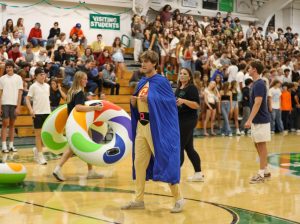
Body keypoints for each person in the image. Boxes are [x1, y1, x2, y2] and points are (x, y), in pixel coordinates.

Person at [121, 50, 184, 213]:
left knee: (165, 160)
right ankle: (138, 199)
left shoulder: (162, 82)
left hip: (156, 127)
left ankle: (179, 199)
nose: (143, 64)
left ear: (154, 63)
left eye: (146, 61)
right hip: (141, 126)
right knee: (139, 164)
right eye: (142, 61)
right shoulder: (141, 82)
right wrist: (133, 102)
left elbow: (170, 103)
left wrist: (149, 99)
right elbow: (139, 104)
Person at [52, 71, 104, 181]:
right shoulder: (79, 92)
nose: (86, 81)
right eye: (85, 79)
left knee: (86, 144)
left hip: (73, 122)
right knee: (72, 148)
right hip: (78, 123)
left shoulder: (71, 91)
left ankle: (90, 171)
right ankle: (58, 168)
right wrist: (94, 108)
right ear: (80, 80)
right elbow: (78, 107)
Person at [175, 68, 203, 182]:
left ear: (189, 77)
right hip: (180, 120)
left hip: (188, 121)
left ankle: (175, 174)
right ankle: (198, 174)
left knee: (180, 146)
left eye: (184, 74)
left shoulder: (192, 88)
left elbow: (197, 105)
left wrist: (184, 101)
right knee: (189, 148)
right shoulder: (178, 88)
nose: (182, 75)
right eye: (180, 73)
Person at [245, 61, 271, 184]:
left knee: (261, 146)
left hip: (261, 120)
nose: (247, 69)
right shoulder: (255, 84)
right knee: (257, 145)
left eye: (249, 68)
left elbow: (258, 102)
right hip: (257, 120)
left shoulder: (260, 84)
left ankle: (261, 174)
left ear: (254, 70)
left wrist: (249, 119)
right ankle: (265, 170)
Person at [26, 67, 50, 165]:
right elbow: (27, 99)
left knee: (44, 137)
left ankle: (37, 150)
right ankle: (40, 157)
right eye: (41, 74)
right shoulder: (33, 86)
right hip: (38, 114)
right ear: (36, 76)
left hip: (47, 113)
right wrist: (31, 110)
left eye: (44, 74)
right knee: (38, 136)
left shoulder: (47, 86)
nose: (43, 76)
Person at [0, 61, 23, 153]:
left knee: (12, 125)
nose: (8, 69)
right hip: (5, 103)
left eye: (10, 67)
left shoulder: (18, 78)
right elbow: (0, 93)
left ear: (13, 68)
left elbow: (20, 93)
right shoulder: (2, 79)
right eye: (7, 67)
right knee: (5, 124)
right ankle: (4, 146)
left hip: (14, 104)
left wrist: (18, 106)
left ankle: (11, 145)